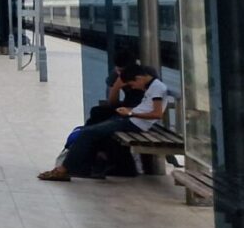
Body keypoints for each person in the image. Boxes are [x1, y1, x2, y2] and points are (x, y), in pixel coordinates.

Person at [39, 60, 169, 181]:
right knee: (92, 127)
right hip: (130, 119)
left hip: (134, 123)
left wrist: (131, 113)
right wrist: (129, 110)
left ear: (139, 78)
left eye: (132, 84)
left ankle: (63, 170)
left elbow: (157, 114)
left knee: (87, 133)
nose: (133, 87)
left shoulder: (157, 88)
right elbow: (147, 108)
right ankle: (77, 168)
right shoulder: (153, 86)